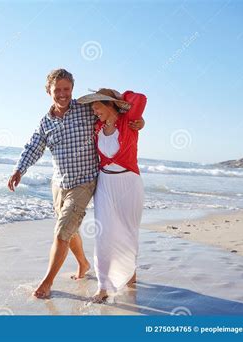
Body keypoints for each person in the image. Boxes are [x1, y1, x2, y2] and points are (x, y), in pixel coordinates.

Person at [7, 69, 144, 299]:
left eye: (66, 89)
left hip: (85, 181)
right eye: (57, 90)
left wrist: (139, 121)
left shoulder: (85, 111)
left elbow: (113, 113)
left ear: (72, 89)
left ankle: (46, 282)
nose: (62, 94)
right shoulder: (45, 123)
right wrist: (19, 169)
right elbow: (33, 147)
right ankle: (83, 263)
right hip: (60, 182)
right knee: (70, 232)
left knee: (62, 231)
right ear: (48, 91)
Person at [76, 88, 147, 303]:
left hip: (129, 184)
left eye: (97, 104)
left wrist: (118, 98)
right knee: (103, 234)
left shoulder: (129, 122)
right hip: (105, 183)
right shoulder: (97, 127)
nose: (94, 110)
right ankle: (103, 286)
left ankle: (129, 271)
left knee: (128, 232)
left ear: (109, 104)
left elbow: (140, 98)